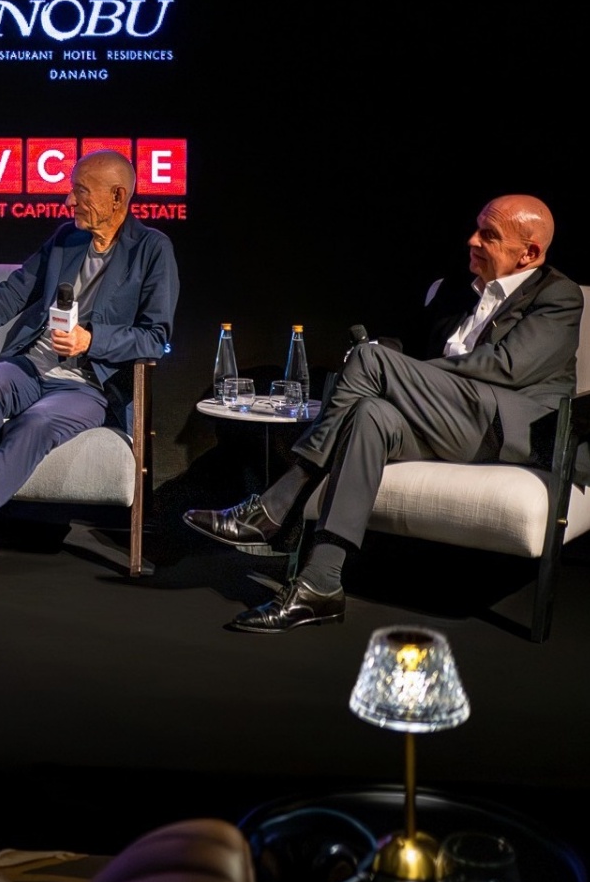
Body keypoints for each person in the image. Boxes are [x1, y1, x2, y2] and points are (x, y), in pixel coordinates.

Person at [184, 194, 579, 632]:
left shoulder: (557, 296)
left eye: (489, 235)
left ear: (529, 253)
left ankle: (277, 502)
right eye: (476, 228)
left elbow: (508, 367)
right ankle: (320, 584)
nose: (472, 240)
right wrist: (380, 354)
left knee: (373, 366)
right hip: (443, 419)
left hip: (503, 427)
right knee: (371, 412)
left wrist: (394, 371)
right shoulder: (456, 288)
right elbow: (410, 347)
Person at [0, 150, 178, 593]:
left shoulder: (152, 249)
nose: (68, 200)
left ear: (118, 197)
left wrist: (91, 340)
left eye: (81, 191)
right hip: (30, 367)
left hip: (87, 386)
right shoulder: (66, 239)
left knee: (36, 423)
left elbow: (155, 337)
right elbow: (11, 294)